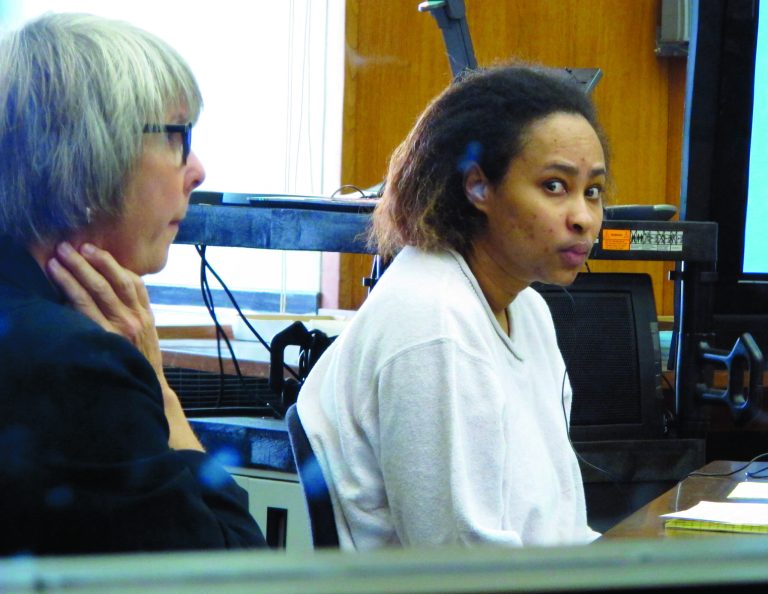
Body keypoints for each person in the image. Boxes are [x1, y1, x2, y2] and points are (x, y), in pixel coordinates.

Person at [297, 63, 609, 549]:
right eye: (554, 186)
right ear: (478, 186)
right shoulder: (432, 320)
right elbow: (461, 564)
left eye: (592, 191)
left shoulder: (527, 311)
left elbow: (559, 532)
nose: (584, 218)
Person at [0, 13, 265, 555]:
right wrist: (161, 394)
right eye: (177, 136)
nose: (197, 169)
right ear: (90, 152)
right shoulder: (77, 365)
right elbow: (236, 574)